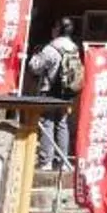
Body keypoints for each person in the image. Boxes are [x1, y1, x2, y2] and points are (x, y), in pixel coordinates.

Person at [26, 21, 79, 170]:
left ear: (58, 30)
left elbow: (35, 67)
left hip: (50, 91)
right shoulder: (74, 48)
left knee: (47, 123)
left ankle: (46, 161)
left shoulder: (51, 48)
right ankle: (62, 161)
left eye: (54, 27)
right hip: (67, 92)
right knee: (62, 124)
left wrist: (35, 54)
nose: (52, 30)